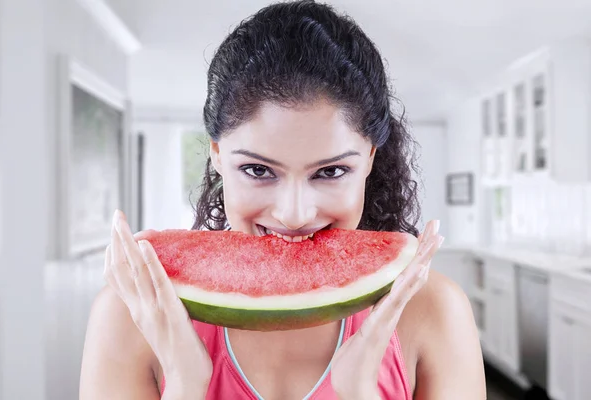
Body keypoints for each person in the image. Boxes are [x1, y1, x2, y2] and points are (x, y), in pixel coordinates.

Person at [79, 1, 486, 399]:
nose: (293, 215)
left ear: (370, 159)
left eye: (330, 172)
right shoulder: (128, 317)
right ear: (217, 153)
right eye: (258, 170)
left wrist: (361, 391)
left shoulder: (435, 312)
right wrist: (184, 385)